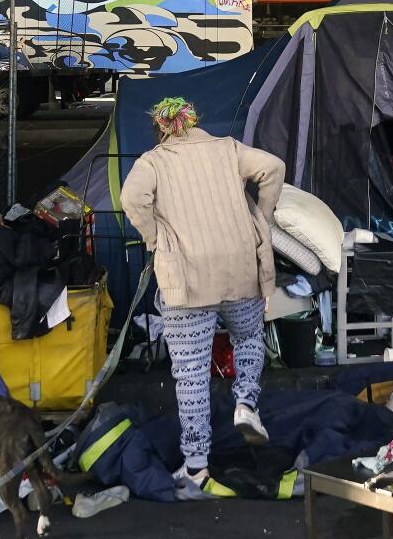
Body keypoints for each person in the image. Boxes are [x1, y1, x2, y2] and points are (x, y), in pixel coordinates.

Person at [121, 97, 285, 495]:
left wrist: (155, 237)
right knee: (248, 336)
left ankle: (196, 467)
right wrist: (260, 217)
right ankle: (246, 402)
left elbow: (131, 199)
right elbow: (273, 168)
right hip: (238, 268)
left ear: (161, 128)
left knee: (191, 374)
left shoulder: (153, 161)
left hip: (186, 281)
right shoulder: (228, 149)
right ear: (195, 122)